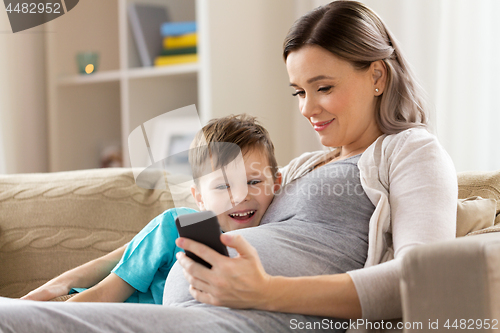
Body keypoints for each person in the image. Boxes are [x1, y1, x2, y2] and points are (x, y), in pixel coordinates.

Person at [0, 1, 457, 332]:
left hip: (251, 319)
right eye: (299, 92)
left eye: (323, 87)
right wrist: (70, 281)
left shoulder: (410, 150)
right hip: (190, 314)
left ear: (377, 75)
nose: (307, 108)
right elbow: (173, 228)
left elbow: (423, 280)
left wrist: (262, 292)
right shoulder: (300, 167)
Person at [27, 114, 283, 304]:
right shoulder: (179, 225)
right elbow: (107, 293)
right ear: (200, 198)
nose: (240, 196)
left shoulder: (280, 238)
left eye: (254, 182)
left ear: (277, 184)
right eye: (223, 186)